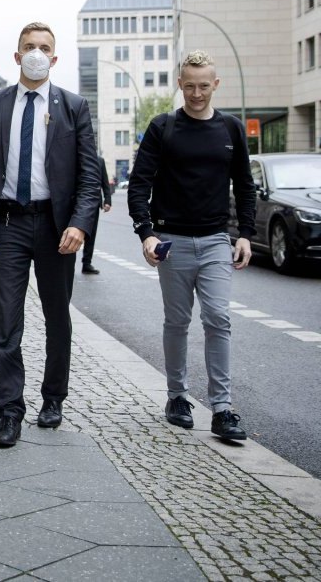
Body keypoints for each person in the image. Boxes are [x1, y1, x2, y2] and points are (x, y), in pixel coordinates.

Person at [0, 22, 99, 448]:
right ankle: (9, 410)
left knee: (58, 316)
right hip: (8, 225)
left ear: (55, 58)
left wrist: (79, 223)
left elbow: (90, 177)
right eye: (29, 47)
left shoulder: (73, 107)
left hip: (56, 228)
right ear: (16, 56)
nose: (37, 53)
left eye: (44, 48)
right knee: (6, 320)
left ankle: (53, 398)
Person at [126, 50, 255, 441]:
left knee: (218, 319)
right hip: (171, 240)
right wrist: (147, 233)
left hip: (216, 239)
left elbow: (245, 186)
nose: (197, 93)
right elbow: (139, 185)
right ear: (180, 84)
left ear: (215, 85)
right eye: (190, 86)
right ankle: (177, 397)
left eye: (204, 86)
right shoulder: (163, 127)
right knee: (177, 322)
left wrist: (245, 233)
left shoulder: (231, 129)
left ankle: (222, 408)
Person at [80, 154, 112, 275]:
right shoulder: (75, 158)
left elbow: (105, 182)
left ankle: (86, 264)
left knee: (90, 235)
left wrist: (107, 200)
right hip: (74, 203)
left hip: (94, 204)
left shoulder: (99, 160)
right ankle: (67, 264)